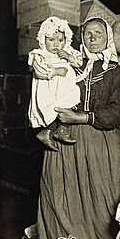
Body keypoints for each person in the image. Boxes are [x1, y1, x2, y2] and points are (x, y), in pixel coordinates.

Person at [37, 16, 120, 239]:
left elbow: (117, 112)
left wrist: (80, 117)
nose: (92, 38)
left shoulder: (117, 71)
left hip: (98, 139)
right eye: (88, 33)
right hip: (64, 139)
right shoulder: (70, 65)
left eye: (98, 33)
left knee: (101, 199)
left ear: (108, 37)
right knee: (60, 193)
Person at [28, 16, 83, 151]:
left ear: (66, 40)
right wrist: (57, 71)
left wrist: (69, 57)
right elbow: (39, 71)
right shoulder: (40, 54)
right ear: (43, 40)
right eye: (51, 40)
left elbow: (79, 62)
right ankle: (47, 131)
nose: (56, 44)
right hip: (49, 89)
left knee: (71, 103)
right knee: (53, 108)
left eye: (60, 40)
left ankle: (61, 130)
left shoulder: (68, 51)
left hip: (66, 88)